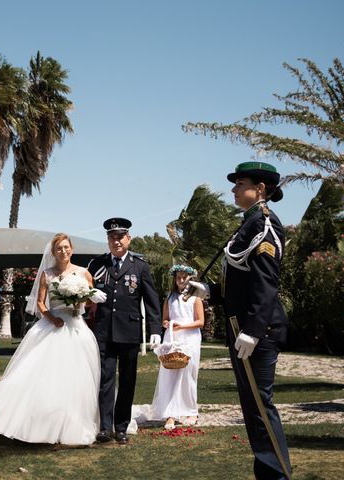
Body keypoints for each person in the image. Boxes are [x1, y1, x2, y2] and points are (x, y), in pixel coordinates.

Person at [189, 162, 292, 479]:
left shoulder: (264, 227)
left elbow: (266, 285)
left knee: (261, 408)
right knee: (252, 409)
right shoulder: (247, 225)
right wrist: (212, 291)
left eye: (240, 183)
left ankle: (276, 475)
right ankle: (267, 472)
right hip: (243, 327)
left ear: (260, 189)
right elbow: (242, 282)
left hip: (255, 331)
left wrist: (253, 331)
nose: (234, 188)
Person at [0, 233, 105, 445]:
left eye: (66, 247)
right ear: (53, 252)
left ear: (71, 248)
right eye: (59, 249)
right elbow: (40, 303)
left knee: (76, 378)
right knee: (44, 376)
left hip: (76, 327)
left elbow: (91, 304)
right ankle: (39, 424)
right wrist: (51, 318)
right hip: (53, 326)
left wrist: (88, 299)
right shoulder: (47, 274)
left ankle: (72, 424)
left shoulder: (83, 273)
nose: (63, 251)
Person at [87, 218, 161, 444]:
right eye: (112, 238)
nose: (116, 241)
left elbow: (151, 300)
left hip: (129, 331)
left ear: (128, 238)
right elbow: (85, 290)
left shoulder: (140, 266)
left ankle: (121, 427)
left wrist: (155, 329)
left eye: (120, 237)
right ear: (108, 241)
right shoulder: (97, 264)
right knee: (105, 380)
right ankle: (104, 427)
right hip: (104, 331)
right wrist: (88, 295)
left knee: (128, 380)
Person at [151, 264, 204, 429]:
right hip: (172, 337)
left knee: (188, 375)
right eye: (178, 277)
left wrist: (182, 326)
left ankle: (191, 410)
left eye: (184, 277)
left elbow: (200, 322)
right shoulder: (170, 297)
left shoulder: (196, 298)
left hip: (190, 338)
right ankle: (171, 413)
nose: (181, 280)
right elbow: (165, 319)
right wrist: (168, 324)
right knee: (171, 375)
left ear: (190, 279)